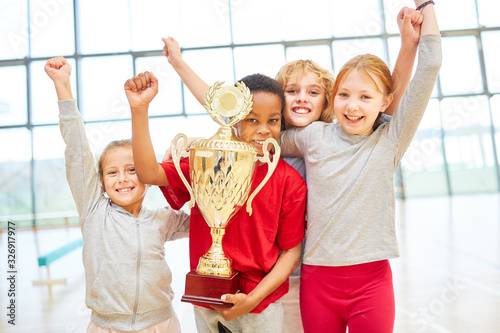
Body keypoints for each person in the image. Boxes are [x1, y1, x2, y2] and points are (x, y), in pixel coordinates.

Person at [278, 1, 441, 331]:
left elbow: (431, 65)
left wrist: (425, 10)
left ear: (385, 103)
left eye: (365, 97)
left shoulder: (391, 138)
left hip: (371, 284)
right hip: (317, 282)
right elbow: (261, 140)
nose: (352, 106)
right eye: (343, 95)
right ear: (333, 97)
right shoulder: (313, 137)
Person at [126, 70, 307, 332]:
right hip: (207, 299)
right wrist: (139, 110)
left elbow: (291, 251)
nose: (264, 129)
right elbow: (148, 173)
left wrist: (253, 299)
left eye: (273, 120)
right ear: (233, 119)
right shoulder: (208, 163)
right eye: (252, 119)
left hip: (259, 306)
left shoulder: (288, 181)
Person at [44, 57, 190, 333]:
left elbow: (207, 218)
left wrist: (185, 163)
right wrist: (62, 85)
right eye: (112, 173)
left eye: (132, 169)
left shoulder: (163, 219)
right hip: (108, 326)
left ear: (146, 174)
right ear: (100, 181)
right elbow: (77, 149)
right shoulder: (94, 211)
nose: (122, 178)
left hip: (161, 323)